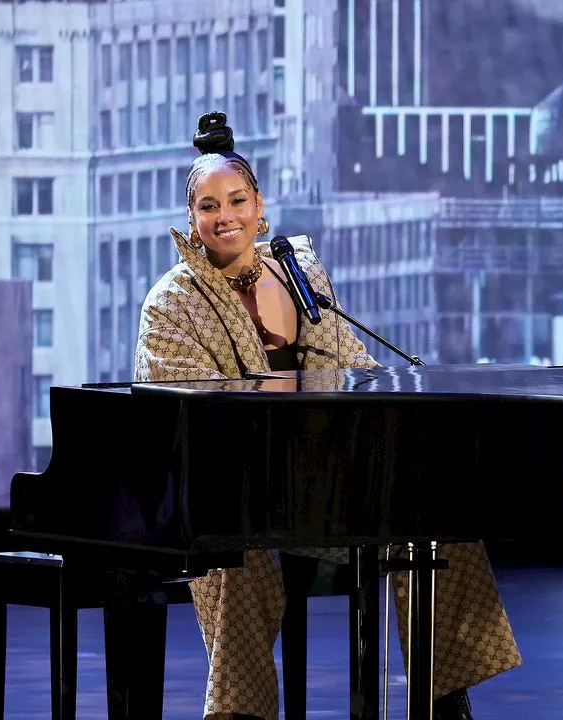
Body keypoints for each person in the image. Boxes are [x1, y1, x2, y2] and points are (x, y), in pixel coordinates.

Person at [134, 111, 522, 720]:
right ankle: (241, 715)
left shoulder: (299, 272)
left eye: (237, 200)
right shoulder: (172, 302)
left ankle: (443, 698)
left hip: (312, 488)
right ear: (192, 219)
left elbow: (352, 367)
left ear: (261, 207)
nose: (224, 216)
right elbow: (182, 414)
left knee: (435, 517)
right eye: (208, 206)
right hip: (214, 498)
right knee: (236, 563)